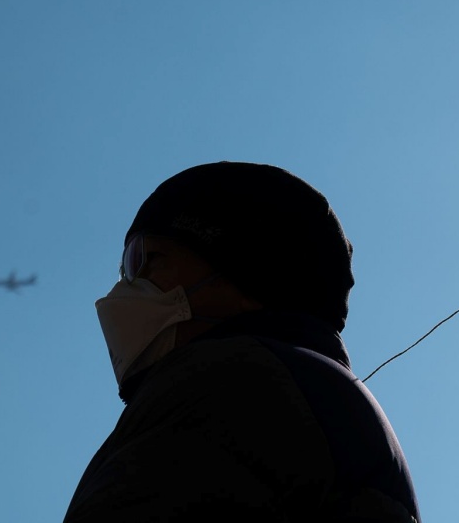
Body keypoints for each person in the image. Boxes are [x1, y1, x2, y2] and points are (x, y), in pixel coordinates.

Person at [64, 162, 420, 522]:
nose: (124, 289)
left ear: (248, 273)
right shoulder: (308, 388)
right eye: (125, 269)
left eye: (147, 260)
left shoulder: (232, 381)